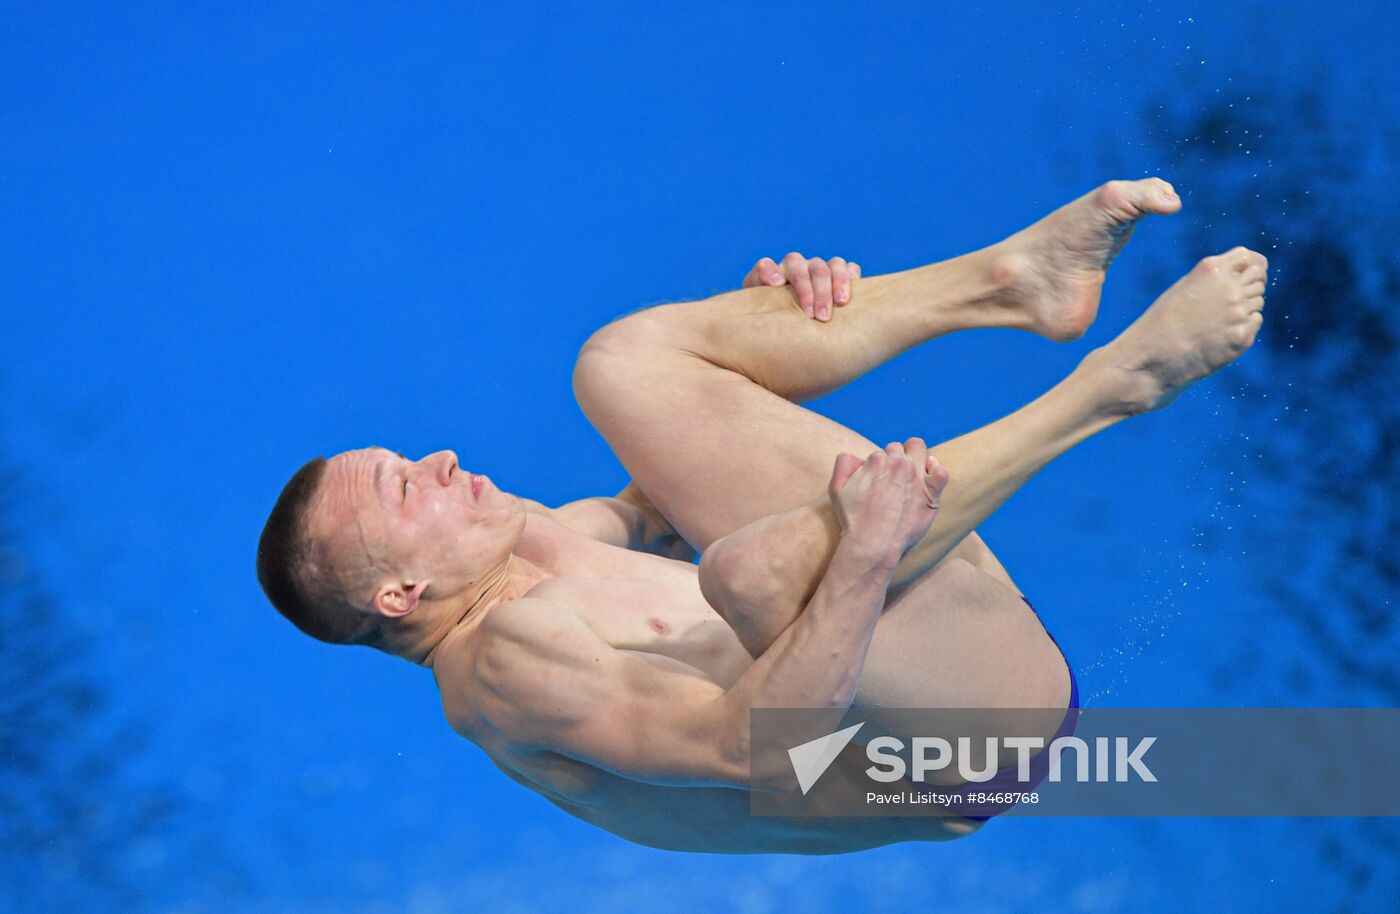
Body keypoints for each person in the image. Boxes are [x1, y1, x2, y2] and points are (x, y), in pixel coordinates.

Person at [257, 178, 1267, 853]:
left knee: (620, 367)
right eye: (405, 487)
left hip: (920, 660)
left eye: (407, 458)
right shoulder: (505, 670)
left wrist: (750, 333)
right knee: (745, 573)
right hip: (966, 749)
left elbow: (652, 499)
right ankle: (1117, 385)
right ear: (400, 591)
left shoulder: (525, 544)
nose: (436, 459)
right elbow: (757, 750)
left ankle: (1008, 283)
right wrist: (866, 555)